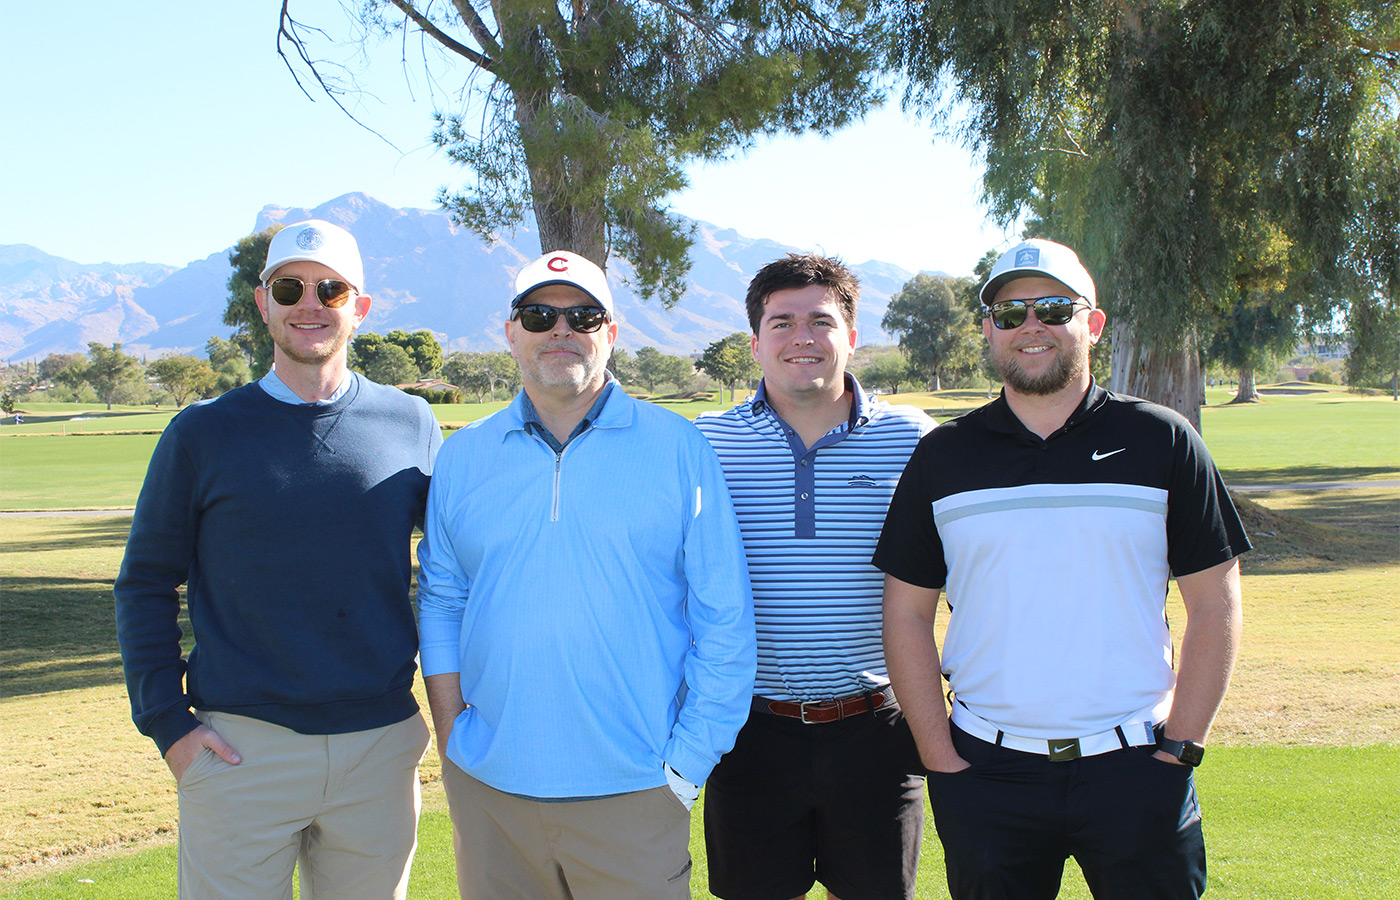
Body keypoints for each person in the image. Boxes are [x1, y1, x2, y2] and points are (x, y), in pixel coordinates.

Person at [875, 238, 1250, 900]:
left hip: (1138, 766)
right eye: (1009, 313)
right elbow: (906, 613)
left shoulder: (1161, 440)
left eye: (1052, 307)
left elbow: (1216, 605)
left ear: (1093, 324)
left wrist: (1180, 752)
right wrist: (941, 759)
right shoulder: (944, 456)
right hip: (986, 772)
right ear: (989, 330)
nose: (1032, 327)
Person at [114, 219, 442, 900]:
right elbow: (145, 582)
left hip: (380, 748)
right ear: (262, 301)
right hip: (241, 750)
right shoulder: (202, 432)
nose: (310, 303)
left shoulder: (411, 422)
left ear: (361, 308)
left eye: (331, 289)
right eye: (289, 287)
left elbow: (454, 575)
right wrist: (167, 723)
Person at [416, 250, 757, 900]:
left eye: (584, 315)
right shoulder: (462, 457)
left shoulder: (678, 448)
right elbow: (442, 599)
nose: (561, 330)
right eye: (540, 314)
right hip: (490, 789)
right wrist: (453, 732)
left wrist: (687, 764)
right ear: (511, 331)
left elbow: (725, 620)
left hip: (635, 789)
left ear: (612, 332)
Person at [695, 254, 933, 900]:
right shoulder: (705, 444)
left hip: (877, 733)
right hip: (750, 734)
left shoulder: (913, 440)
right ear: (755, 343)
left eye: (821, 321)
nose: (802, 337)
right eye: (782, 322)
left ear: (852, 337)